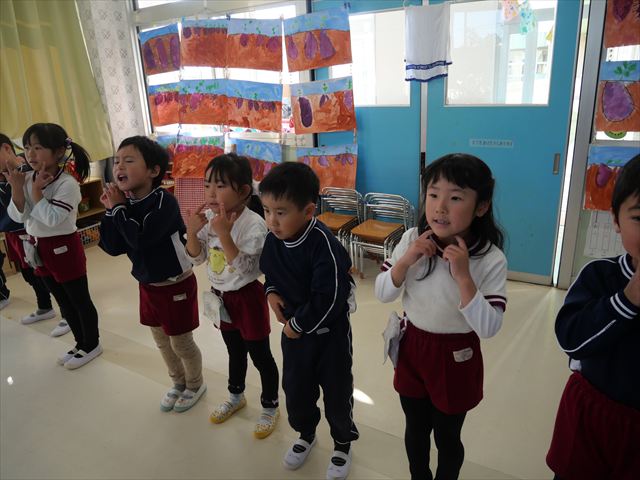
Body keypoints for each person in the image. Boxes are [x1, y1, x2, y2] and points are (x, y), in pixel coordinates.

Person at [375, 153, 507, 480]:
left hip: (456, 355)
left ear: (481, 206)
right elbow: (382, 293)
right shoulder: (412, 239)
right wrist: (406, 260)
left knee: (447, 437)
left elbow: (489, 327)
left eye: (456, 198)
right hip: (412, 347)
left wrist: (463, 277)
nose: (440, 207)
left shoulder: (490, 258)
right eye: (433, 195)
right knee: (415, 428)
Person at [259, 162, 359, 480]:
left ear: (308, 211)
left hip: (329, 336)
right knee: (296, 389)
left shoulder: (323, 244)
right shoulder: (274, 240)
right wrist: (271, 292)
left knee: (337, 393)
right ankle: (306, 434)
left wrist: (297, 325)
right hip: (295, 337)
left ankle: (342, 444)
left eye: (281, 212)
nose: (272, 221)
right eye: (266, 210)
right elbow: (271, 274)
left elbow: (330, 297)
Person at [546, 154, 640, 480]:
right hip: (593, 413)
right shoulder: (600, 275)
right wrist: (627, 300)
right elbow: (571, 340)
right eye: (639, 217)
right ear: (616, 220)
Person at [99, 136, 206, 413]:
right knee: (161, 341)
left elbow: (140, 239)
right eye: (117, 161)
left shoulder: (163, 201)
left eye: (129, 160)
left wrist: (118, 209)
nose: (119, 166)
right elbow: (112, 246)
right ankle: (178, 382)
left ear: (154, 170)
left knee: (181, 342)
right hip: (148, 284)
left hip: (175, 283)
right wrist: (110, 212)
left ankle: (195, 384)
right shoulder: (125, 204)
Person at [185, 153, 280, 437]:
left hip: (247, 297)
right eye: (207, 185)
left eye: (220, 186)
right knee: (234, 351)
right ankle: (236, 396)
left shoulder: (254, 224)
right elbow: (197, 259)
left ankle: (270, 405)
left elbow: (248, 268)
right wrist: (192, 233)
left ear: (243, 191)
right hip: (221, 298)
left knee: (261, 356)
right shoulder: (209, 218)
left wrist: (224, 235)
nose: (211, 193)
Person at [6, 124, 101, 369]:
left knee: (79, 300)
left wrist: (36, 192)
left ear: (58, 151)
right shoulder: (27, 178)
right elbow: (19, 217)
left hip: (63, 247)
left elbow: (52, 219)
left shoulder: (67, 184)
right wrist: (17, 188)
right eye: (27, 147)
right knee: (63, 301)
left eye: (38, 148)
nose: (30, 154)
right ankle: (80, 343)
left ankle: (92, 344)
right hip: (37, 247)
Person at [0, 134, 68, 334]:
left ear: (6, 148)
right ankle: (44, 306)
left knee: (52, 275)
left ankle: (68, 313)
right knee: (30, 274)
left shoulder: (32, 168)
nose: (32, 153)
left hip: (37, 232)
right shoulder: (4, 176)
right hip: (14, 233)